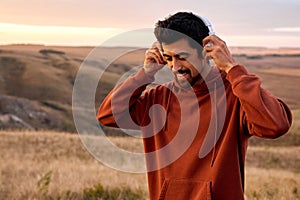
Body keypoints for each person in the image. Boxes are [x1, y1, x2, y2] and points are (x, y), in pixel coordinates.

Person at [97, 12, 292, 200]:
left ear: (206, 51)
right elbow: (108, 115)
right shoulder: (159, 97)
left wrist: (232, 68)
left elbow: (276, 125)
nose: (175, 67)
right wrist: (145, 74)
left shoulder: (235, 94)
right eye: (168, 58)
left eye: (182, 57)